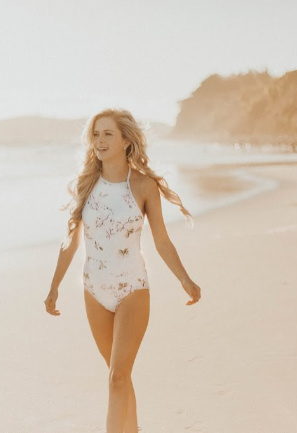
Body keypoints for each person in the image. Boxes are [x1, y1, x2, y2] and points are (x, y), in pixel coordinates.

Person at [44, 108, 202, 432]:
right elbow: (70, 242)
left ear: (126, 141)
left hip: (132, 288)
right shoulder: (85, 185)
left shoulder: (144, 186)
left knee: (117, 377)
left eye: (108, 134)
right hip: (93, 290)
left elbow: (161, 240)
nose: (99, 141)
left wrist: (185, 279)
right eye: (96, 134)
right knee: (120, 377)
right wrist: (54, 287)